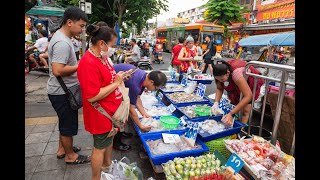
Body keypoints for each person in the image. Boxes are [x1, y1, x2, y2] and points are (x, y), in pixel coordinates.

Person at [77, 24, 130, 180]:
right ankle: (96, 177)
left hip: (110, 113)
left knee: (108, 140)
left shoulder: (102, 58)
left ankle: (107, 166)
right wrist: (116, 83)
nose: (113, 48)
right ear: (102, 43)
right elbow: (92, 96)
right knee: (99, 147)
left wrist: (118, 77)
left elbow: (107, 79)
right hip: (100, 114)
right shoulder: (88, 62)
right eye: (112, 45)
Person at [47, 6, 90, 165]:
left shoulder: (59, 37)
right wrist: (80, 66)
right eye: (81, 25)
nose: (82, 29)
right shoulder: (62, 43)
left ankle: (62, 149)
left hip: (59, 90)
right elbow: (58, 70)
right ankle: (70, 156)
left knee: (64, 121)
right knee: (68, 125)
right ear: (70, 22)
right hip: (62, 92)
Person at [113, 64, 167, 151]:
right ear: (152, 82)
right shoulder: (135, 84)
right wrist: (140, 125)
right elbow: (130, 109)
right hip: (108, 86)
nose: (155, 90)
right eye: (156, 88)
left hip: (118, 84)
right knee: (120, 112)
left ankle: (121, 132)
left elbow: (137, 98)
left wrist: (144, 113)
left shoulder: (144, 77)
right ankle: (116, 142)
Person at [211, 60, 264, 126]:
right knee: (235, 104)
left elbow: (248, 96)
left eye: (221, 79)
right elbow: (219, 88)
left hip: (251, 82)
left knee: (246, 110)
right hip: (238, 81)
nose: (220, 81)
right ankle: (234, 120)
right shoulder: (219, 73)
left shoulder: (236, 74)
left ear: (228, 73)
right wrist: (216, 103)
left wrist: (231, 113)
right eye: (217, 79)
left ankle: (241, 129)